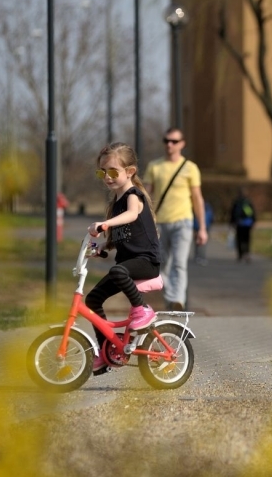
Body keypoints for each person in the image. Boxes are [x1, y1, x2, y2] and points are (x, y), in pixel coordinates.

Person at [86, 142, 161, 374]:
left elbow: (132, 215)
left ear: (130, 172)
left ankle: (142, 310)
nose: (107, 177)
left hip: (146, 261)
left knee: (118, 271)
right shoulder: (114, 205)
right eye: (102, 172)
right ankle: (106, 350)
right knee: (92, 300)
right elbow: (117, 237)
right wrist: (99, 248)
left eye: (113, 172)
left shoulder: (133, 196)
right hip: (126, 265)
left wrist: (105, 223)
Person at [144, 128, 208, 311]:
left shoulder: (190, 168)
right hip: (160, 224)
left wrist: (202, 228)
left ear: (182, 144)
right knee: (162, 266)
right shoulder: (155, 166)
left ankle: (177, 301)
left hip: (183, 223)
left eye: (173, 141)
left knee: (179, 264)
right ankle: (172, 300)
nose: (169, 145)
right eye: (166, 141)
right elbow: (146, 196)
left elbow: (197, 199)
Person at [229, 187, 256, 263]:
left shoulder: (236, 202)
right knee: (247, 239)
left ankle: (240, 254)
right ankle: (247, 253)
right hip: (247, 223)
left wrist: (231, 222)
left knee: (239, 239)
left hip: (239, 223)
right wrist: (253, 221)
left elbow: (232, 213)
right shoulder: (248, 202)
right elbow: (253, 213)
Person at [193, 200, 214, 266]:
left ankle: (199, 256)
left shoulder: (197, 208)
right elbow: (211, 218)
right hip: (203, 227)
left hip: (199, 227)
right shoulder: (208, 209)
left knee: (199, 243)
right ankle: (200, 256)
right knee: (201, 244)